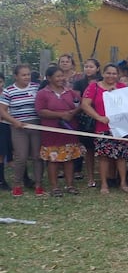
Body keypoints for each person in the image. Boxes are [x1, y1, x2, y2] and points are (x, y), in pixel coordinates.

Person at [81, 64, 128, 194]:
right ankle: (104, 184)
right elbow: (85, 105)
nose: (111, 76)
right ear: (103, 74)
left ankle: (123, 182)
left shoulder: (122, 88)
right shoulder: (94, 87)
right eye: (108, 73)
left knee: (121, 156)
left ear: (118, 75)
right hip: (102, 126)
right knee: (104, 157)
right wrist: (99, 117)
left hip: (120, 127)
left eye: (114, 73)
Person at [34, 66, 86, 197]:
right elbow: (40, 111)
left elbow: (81, 104)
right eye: (57, 76)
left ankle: (70, 185)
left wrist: (73, 112)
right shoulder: (42, 93)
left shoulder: (69, 92)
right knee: (53, 159)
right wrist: (61, 115)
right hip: (51, 132)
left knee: (69, 158)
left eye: (62, 76)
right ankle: (55, 187)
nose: (61, 79)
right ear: (49, 78)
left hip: (69, 130)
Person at [0, 64, 44, 196]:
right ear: (16, 76)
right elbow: (2, 110)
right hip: (18, 127)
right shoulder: (9, 91)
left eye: (28, 74)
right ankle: (17, 184)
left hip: (36, 125)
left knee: (37, 156)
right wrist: (14, 122)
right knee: (21, 157)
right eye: (23, 75)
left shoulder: (37, 88)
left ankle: (38, 184)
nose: (27, 77)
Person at [73, 58, 101, 187]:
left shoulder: (102, 81)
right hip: (86, 120)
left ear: (97, 68)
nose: (88, 69)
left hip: (102, 116)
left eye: (91, 66)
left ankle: (106, 176)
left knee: (104, 149)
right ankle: (90, 178)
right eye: (86, 66)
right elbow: (77, 101)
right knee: (89, 149)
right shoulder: (79, 83)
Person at [0, 74, 11, 191]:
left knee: (9, 153)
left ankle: (25, 177)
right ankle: (1, 180)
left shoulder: (7, 93)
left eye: (1, 81)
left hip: (7, 125)